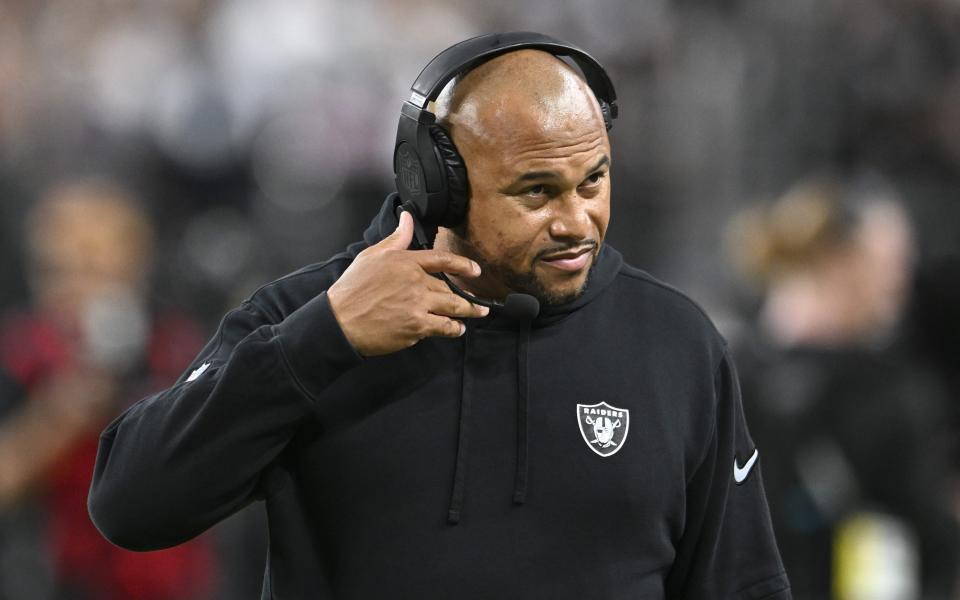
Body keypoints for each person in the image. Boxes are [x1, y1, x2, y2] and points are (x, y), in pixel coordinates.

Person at [88, 34, 790, 599]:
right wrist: (322, 341)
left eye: (593, 180)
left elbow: (743, 582)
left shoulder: (676, 342)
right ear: (436, 186)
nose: (577, 221)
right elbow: (131, 505)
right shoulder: (308, 321)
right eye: (536, 191)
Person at [727, 174, 959, 600]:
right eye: (889, 264)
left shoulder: (896, 387)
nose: (900, 283)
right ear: (839, 261)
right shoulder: (730, 377)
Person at [0, 179, 218, 599]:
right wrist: (61, 411)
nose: (81, 288)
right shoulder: (21, 355)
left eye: (99, 268)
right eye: (63, 270)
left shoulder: (176, 348)